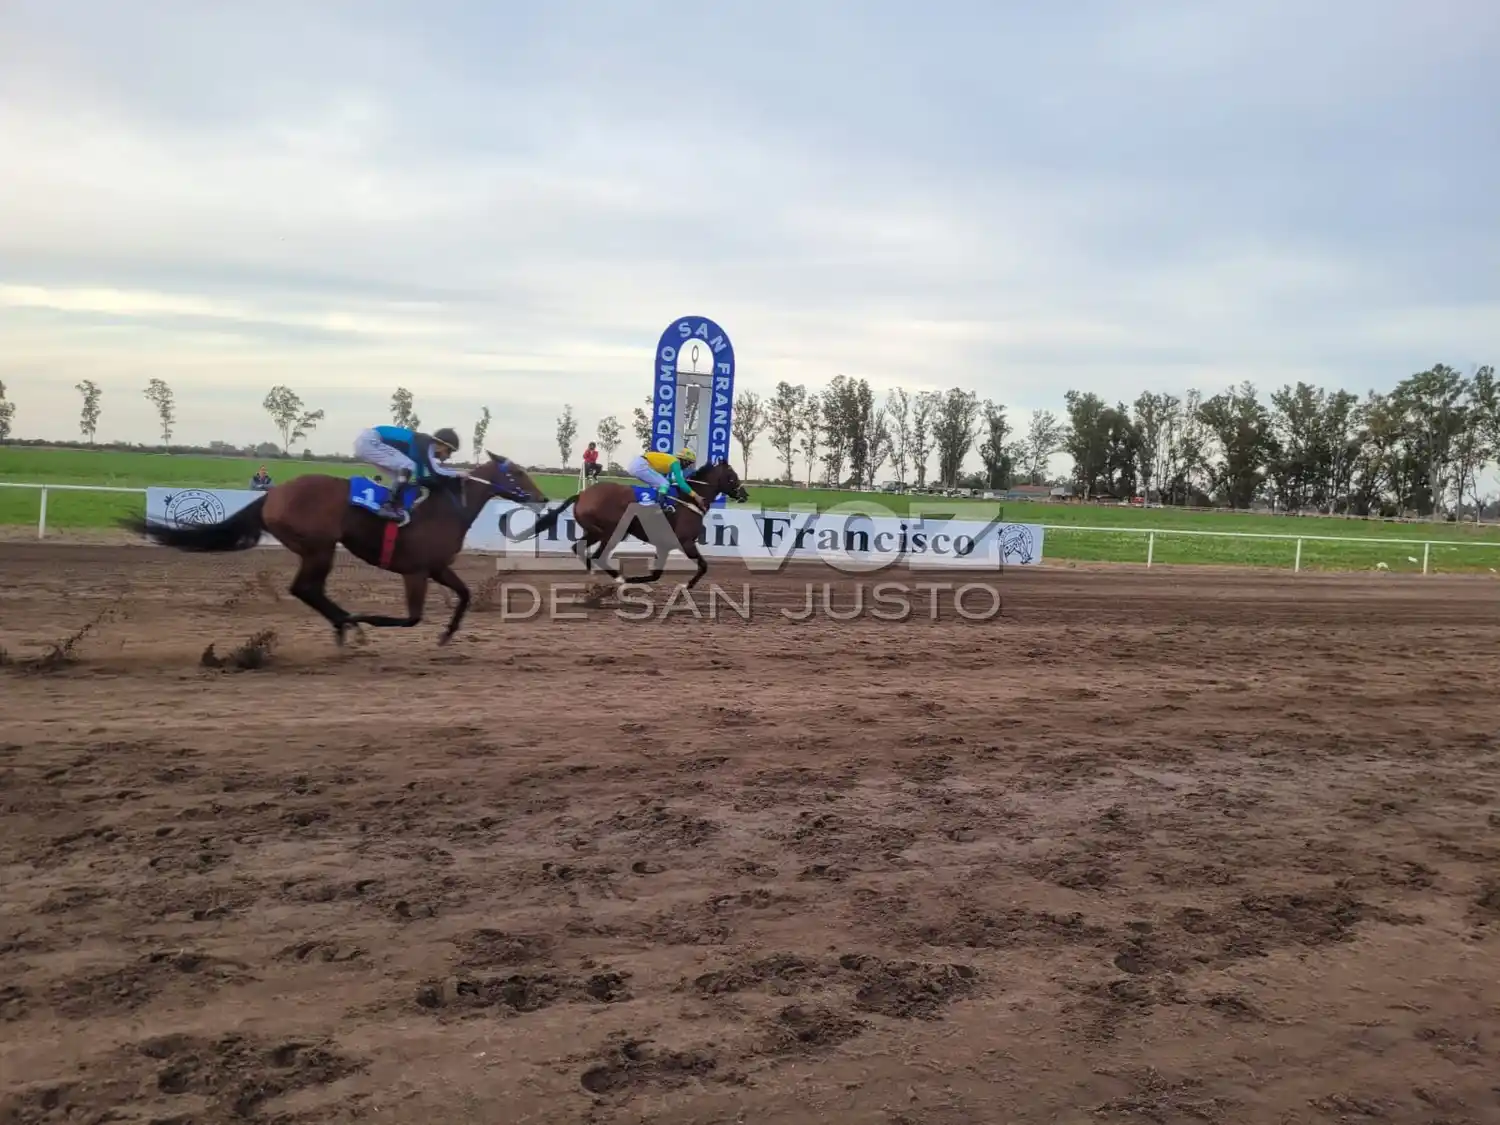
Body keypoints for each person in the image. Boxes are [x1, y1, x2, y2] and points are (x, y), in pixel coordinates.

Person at [353, 424, 464, 521]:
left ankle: (390, 507)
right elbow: (435, 471)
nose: (449, 456)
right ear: (440, 445)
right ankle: (388, 506)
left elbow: (422, 478)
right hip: (370, 440)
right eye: (449, 451)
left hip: (369, 442)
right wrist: (457, 473)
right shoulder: (426, 445)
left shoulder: (422, 451)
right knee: (407, 465)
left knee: (401, 476)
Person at [625, 447, 701, 514]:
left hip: (638, 464)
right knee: (664, 484)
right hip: (641, 465)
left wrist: (674, 480)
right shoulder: (675, 462)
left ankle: (652, 503)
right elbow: (681, 483)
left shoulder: (670, 461)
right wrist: (695, 495)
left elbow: (664, 480)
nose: (687, 466)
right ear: (684, 460)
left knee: (662, 484)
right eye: (688, 463)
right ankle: (659, 506)